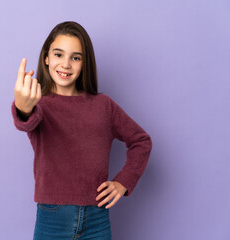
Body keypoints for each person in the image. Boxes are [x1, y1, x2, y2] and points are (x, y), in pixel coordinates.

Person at [11, 21, 152, 240]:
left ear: (84, 64)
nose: (66, 64)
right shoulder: (40, 106)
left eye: (75, 57)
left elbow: (141, 141)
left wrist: (124, 181)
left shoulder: (103, 106)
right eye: (58, 54)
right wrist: (23, 106)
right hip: (52, 219)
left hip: (97, 220)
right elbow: (26, 120)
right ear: (46, 58)